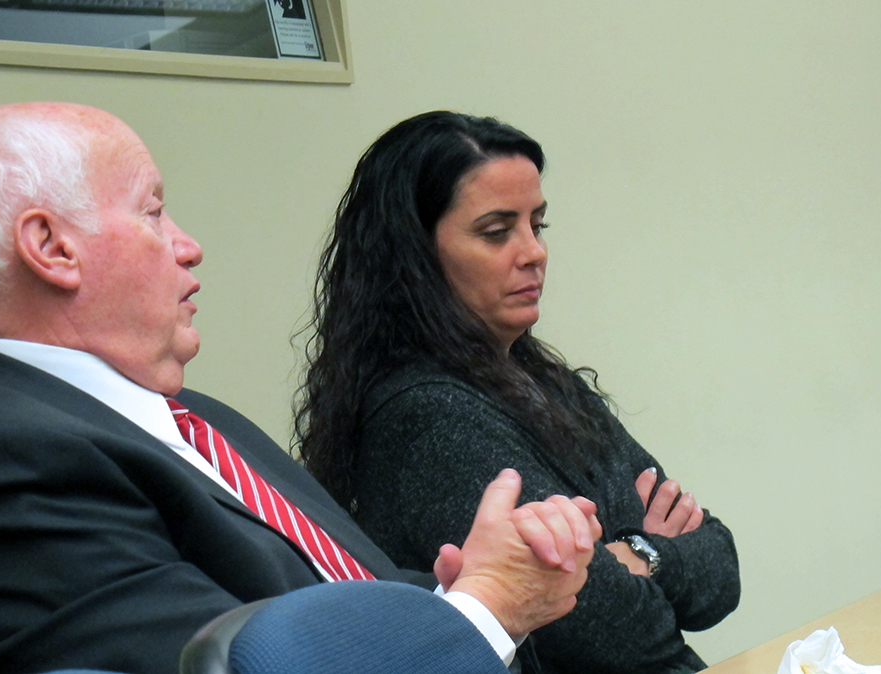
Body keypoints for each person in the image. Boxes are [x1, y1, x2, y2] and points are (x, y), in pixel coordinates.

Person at [0, 103, 602, 674]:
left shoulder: (186, 417)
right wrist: (483, 610)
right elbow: (235, 667)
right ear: (53, 249)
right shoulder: (4, 463)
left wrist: (451, 590)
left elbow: (321, 599)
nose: (188, 244)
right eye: (153, 211)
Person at [296, 111, 741, 674]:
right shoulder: (428, 418)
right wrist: (642, 555)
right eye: (496, 231)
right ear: (414, 257)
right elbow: (624, 637)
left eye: (538, 225)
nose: (533, 252)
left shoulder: (545, 382)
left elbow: (721, 569)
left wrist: (637, 556)